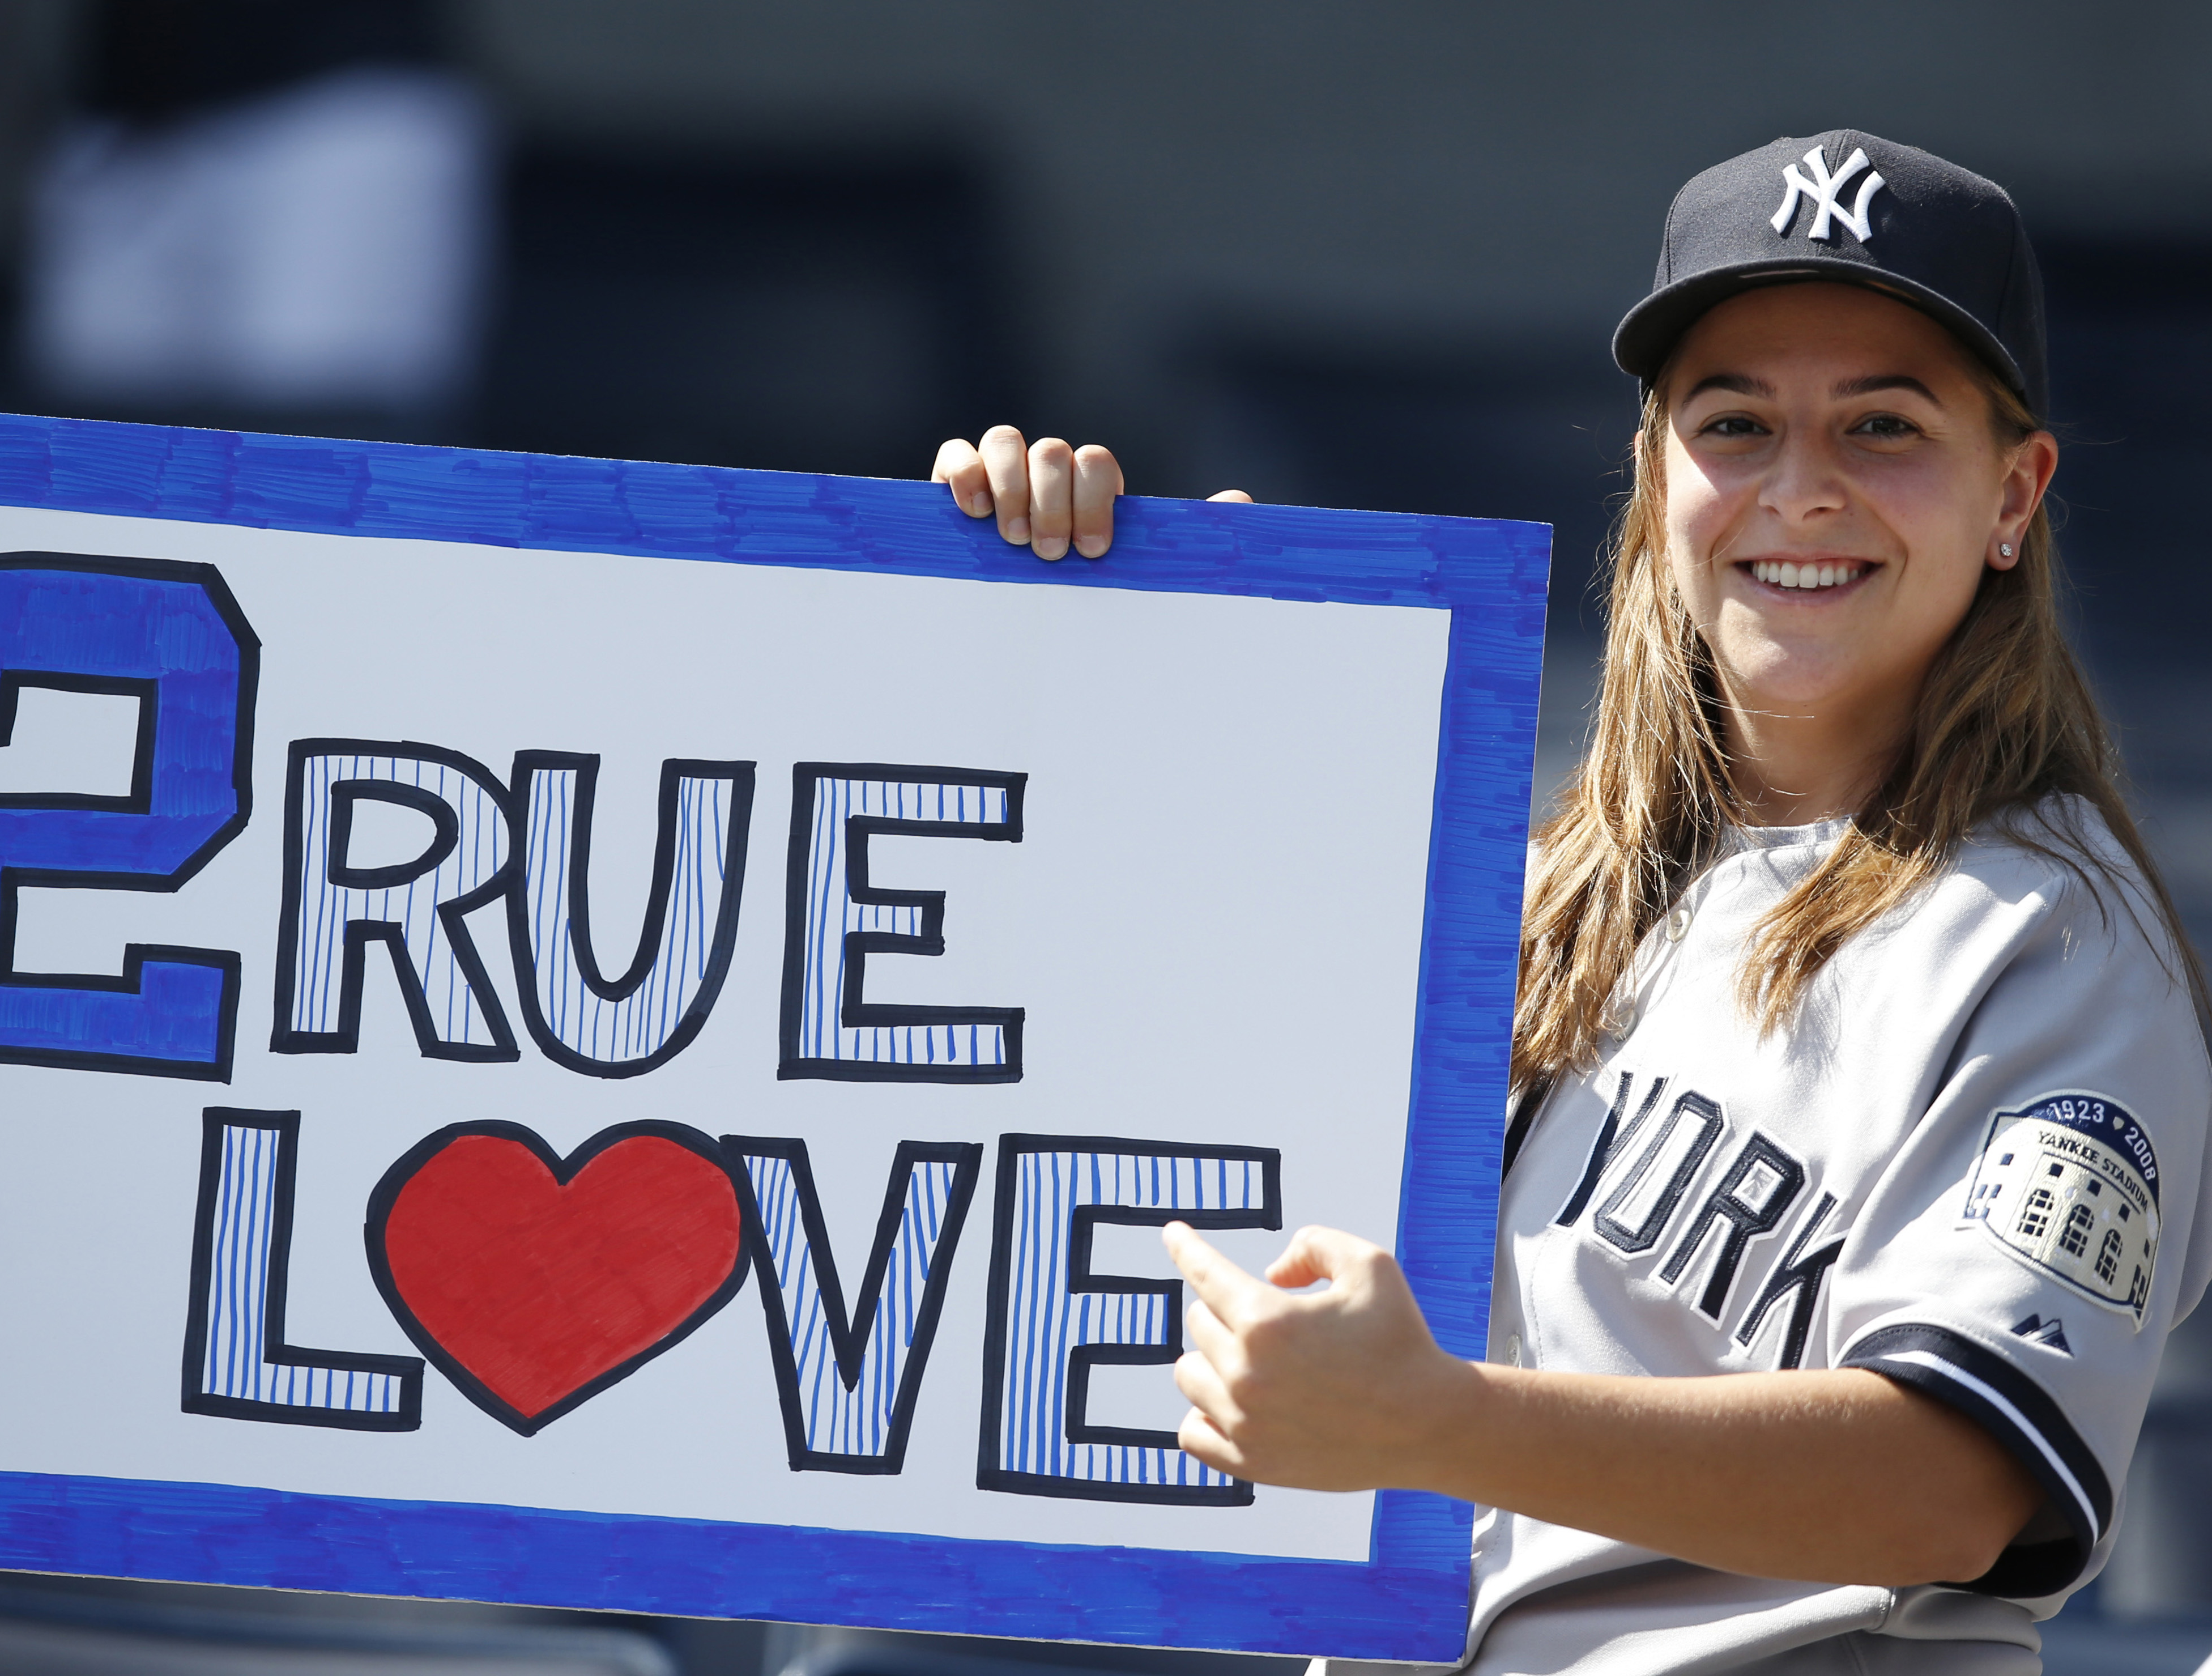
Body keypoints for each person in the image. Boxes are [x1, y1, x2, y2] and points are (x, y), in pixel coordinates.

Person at [931, 131, 2212, 1674]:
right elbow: (1098, 1105)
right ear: (1657, 473)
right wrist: (1057, 631)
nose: (1801, 489)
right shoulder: (1547, 880)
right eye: (1734, 423)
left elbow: (1953, 1488)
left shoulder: (2052, 939)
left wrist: (1436, 1423)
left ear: (2013, 494)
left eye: (1883, 425)